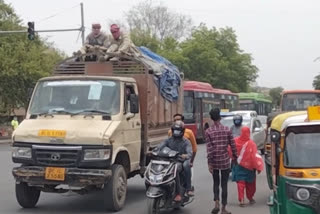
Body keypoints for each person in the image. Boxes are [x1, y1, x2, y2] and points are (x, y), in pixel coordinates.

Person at [205, 108, 237, 214]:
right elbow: (233, 145)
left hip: (214, 161)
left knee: (215, 183)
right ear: (219, 117)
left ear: (211, 118)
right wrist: (235, 157)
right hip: (224, 161)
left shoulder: (208, 131)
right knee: (224, 184)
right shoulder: (227, 129)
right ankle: (223, 208)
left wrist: (209, 163)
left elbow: (209, 149)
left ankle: (216, 202)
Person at [156, 120, 193, 202]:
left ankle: (181, 192)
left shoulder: (186, 142)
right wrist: (155, 150)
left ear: (182, 131)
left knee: (179, 168)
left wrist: (186, 155)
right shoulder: (168, 140)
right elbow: (161, 146)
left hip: (180, 161)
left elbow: (190, 152)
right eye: (175, 131)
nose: (176, 133)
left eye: (178, 131)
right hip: (169, 161)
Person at [232, 126, 264, 207]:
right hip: (250, 168)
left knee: (240, 183)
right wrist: (258, 167)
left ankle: (241, 199)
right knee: (250, 184)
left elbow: (229, 150)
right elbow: (255, 156)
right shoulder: (251, 143)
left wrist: (234, 159)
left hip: (239, 166)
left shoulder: (235, 141)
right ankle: (250, 197)